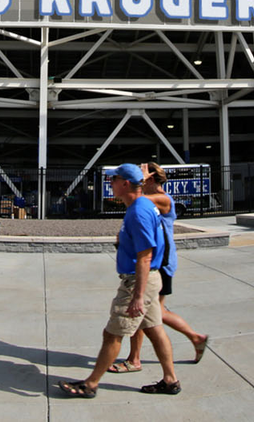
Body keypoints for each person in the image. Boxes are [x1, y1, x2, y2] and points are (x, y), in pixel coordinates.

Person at [58, 163, 179, 399]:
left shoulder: (138, 212)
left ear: (125, 184)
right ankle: (170, 380)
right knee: (154, 329)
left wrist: (136, 297)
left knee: (113, 334)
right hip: (148, 279)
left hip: (138, 281)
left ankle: (90, 384)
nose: (110, 183)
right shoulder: (141, 204)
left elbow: (145, 257)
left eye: (113, 180)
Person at [113, 163, 208, 373]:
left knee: (145, 311)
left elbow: (135, 199)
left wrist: (138, 181)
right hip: (158, 262)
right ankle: (193, 338)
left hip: (161, 264)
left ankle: (135, 359)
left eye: (144, 175)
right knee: (150, 312)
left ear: (152, 179)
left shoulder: (164, 199)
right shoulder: (149, 200)